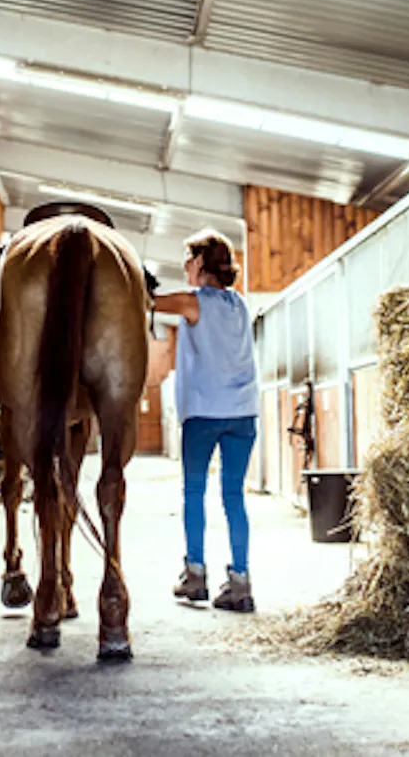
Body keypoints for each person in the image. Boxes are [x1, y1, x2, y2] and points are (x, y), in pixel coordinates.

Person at [150, 229, 259, 613]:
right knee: (234, 497)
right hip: (243, 413)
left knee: (194, 491)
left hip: (204, 412)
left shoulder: (193, 302)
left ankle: (195, 575)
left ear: (199, 263)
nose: (184, 268)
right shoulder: (240, 304)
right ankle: (241, 583)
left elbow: (148, 300)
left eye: (188, 260)